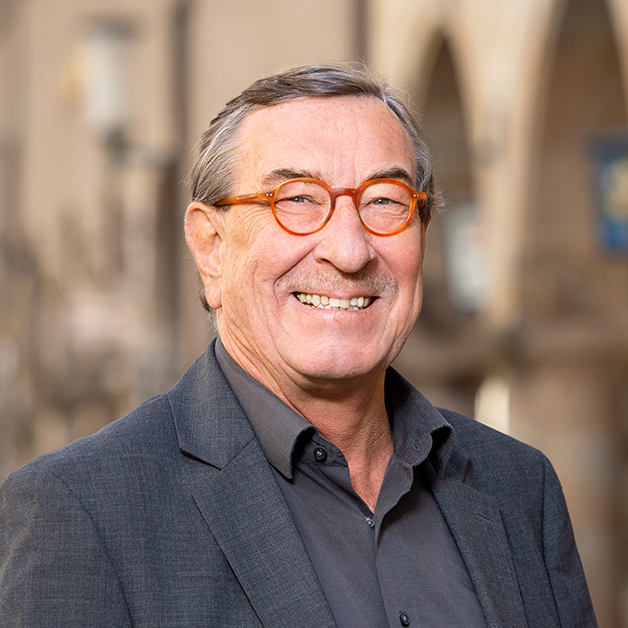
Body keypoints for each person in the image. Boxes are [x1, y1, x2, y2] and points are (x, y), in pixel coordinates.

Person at [0, 63, 597, 628]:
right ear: (211, 247)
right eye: (298, 200)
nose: (350, 250)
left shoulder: (520, 487)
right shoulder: (79, 513)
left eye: (384, 201)